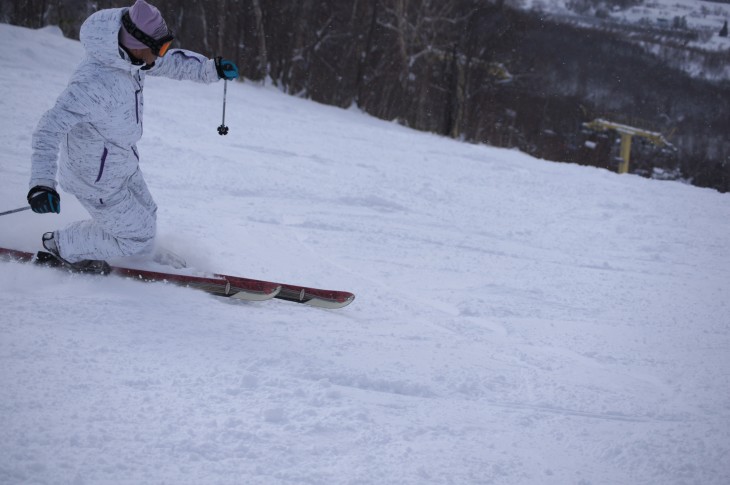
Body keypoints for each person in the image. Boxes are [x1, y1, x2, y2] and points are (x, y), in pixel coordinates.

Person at [27, 0, 238, 271]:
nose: (162, 54)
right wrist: (41, 184)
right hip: (95, 178)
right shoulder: (93, 83)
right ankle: (63, 245)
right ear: (137, 42)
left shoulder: (131, 58)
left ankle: (138, 250)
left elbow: (168, 64)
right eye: (159, 47)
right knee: (137, 236)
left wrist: (210, 69)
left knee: (147, 214)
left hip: (121, 162)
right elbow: (48, 128)